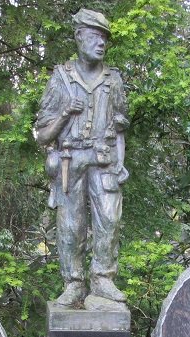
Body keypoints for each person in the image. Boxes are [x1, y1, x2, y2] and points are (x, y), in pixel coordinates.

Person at [34, 8, 130, 307]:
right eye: (95, 36)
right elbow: (41, 133)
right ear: (79, 37)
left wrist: (120, 162)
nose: (101, 43)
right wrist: (66, 113)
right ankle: (73, 283)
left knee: (109, 220)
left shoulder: (113, 80)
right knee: (70, 225)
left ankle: (102, 280)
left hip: (104, 161)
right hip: (69, 163)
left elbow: (120, 125)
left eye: (104, 38)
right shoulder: (61, 79)